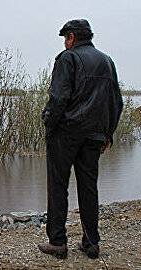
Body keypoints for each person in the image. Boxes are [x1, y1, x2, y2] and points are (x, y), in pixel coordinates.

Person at [38, 19, 123, 259]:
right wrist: (108, 134)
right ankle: (91, 242)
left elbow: (58, 97)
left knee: (58, 186)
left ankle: (57, 242)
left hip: (66, 132)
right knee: (88, 187)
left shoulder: (68, 58)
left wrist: (49, 123)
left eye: (66, 38)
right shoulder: (107, 62)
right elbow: (117, 102)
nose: (65, 43)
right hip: (95, 135)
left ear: (72, 37)